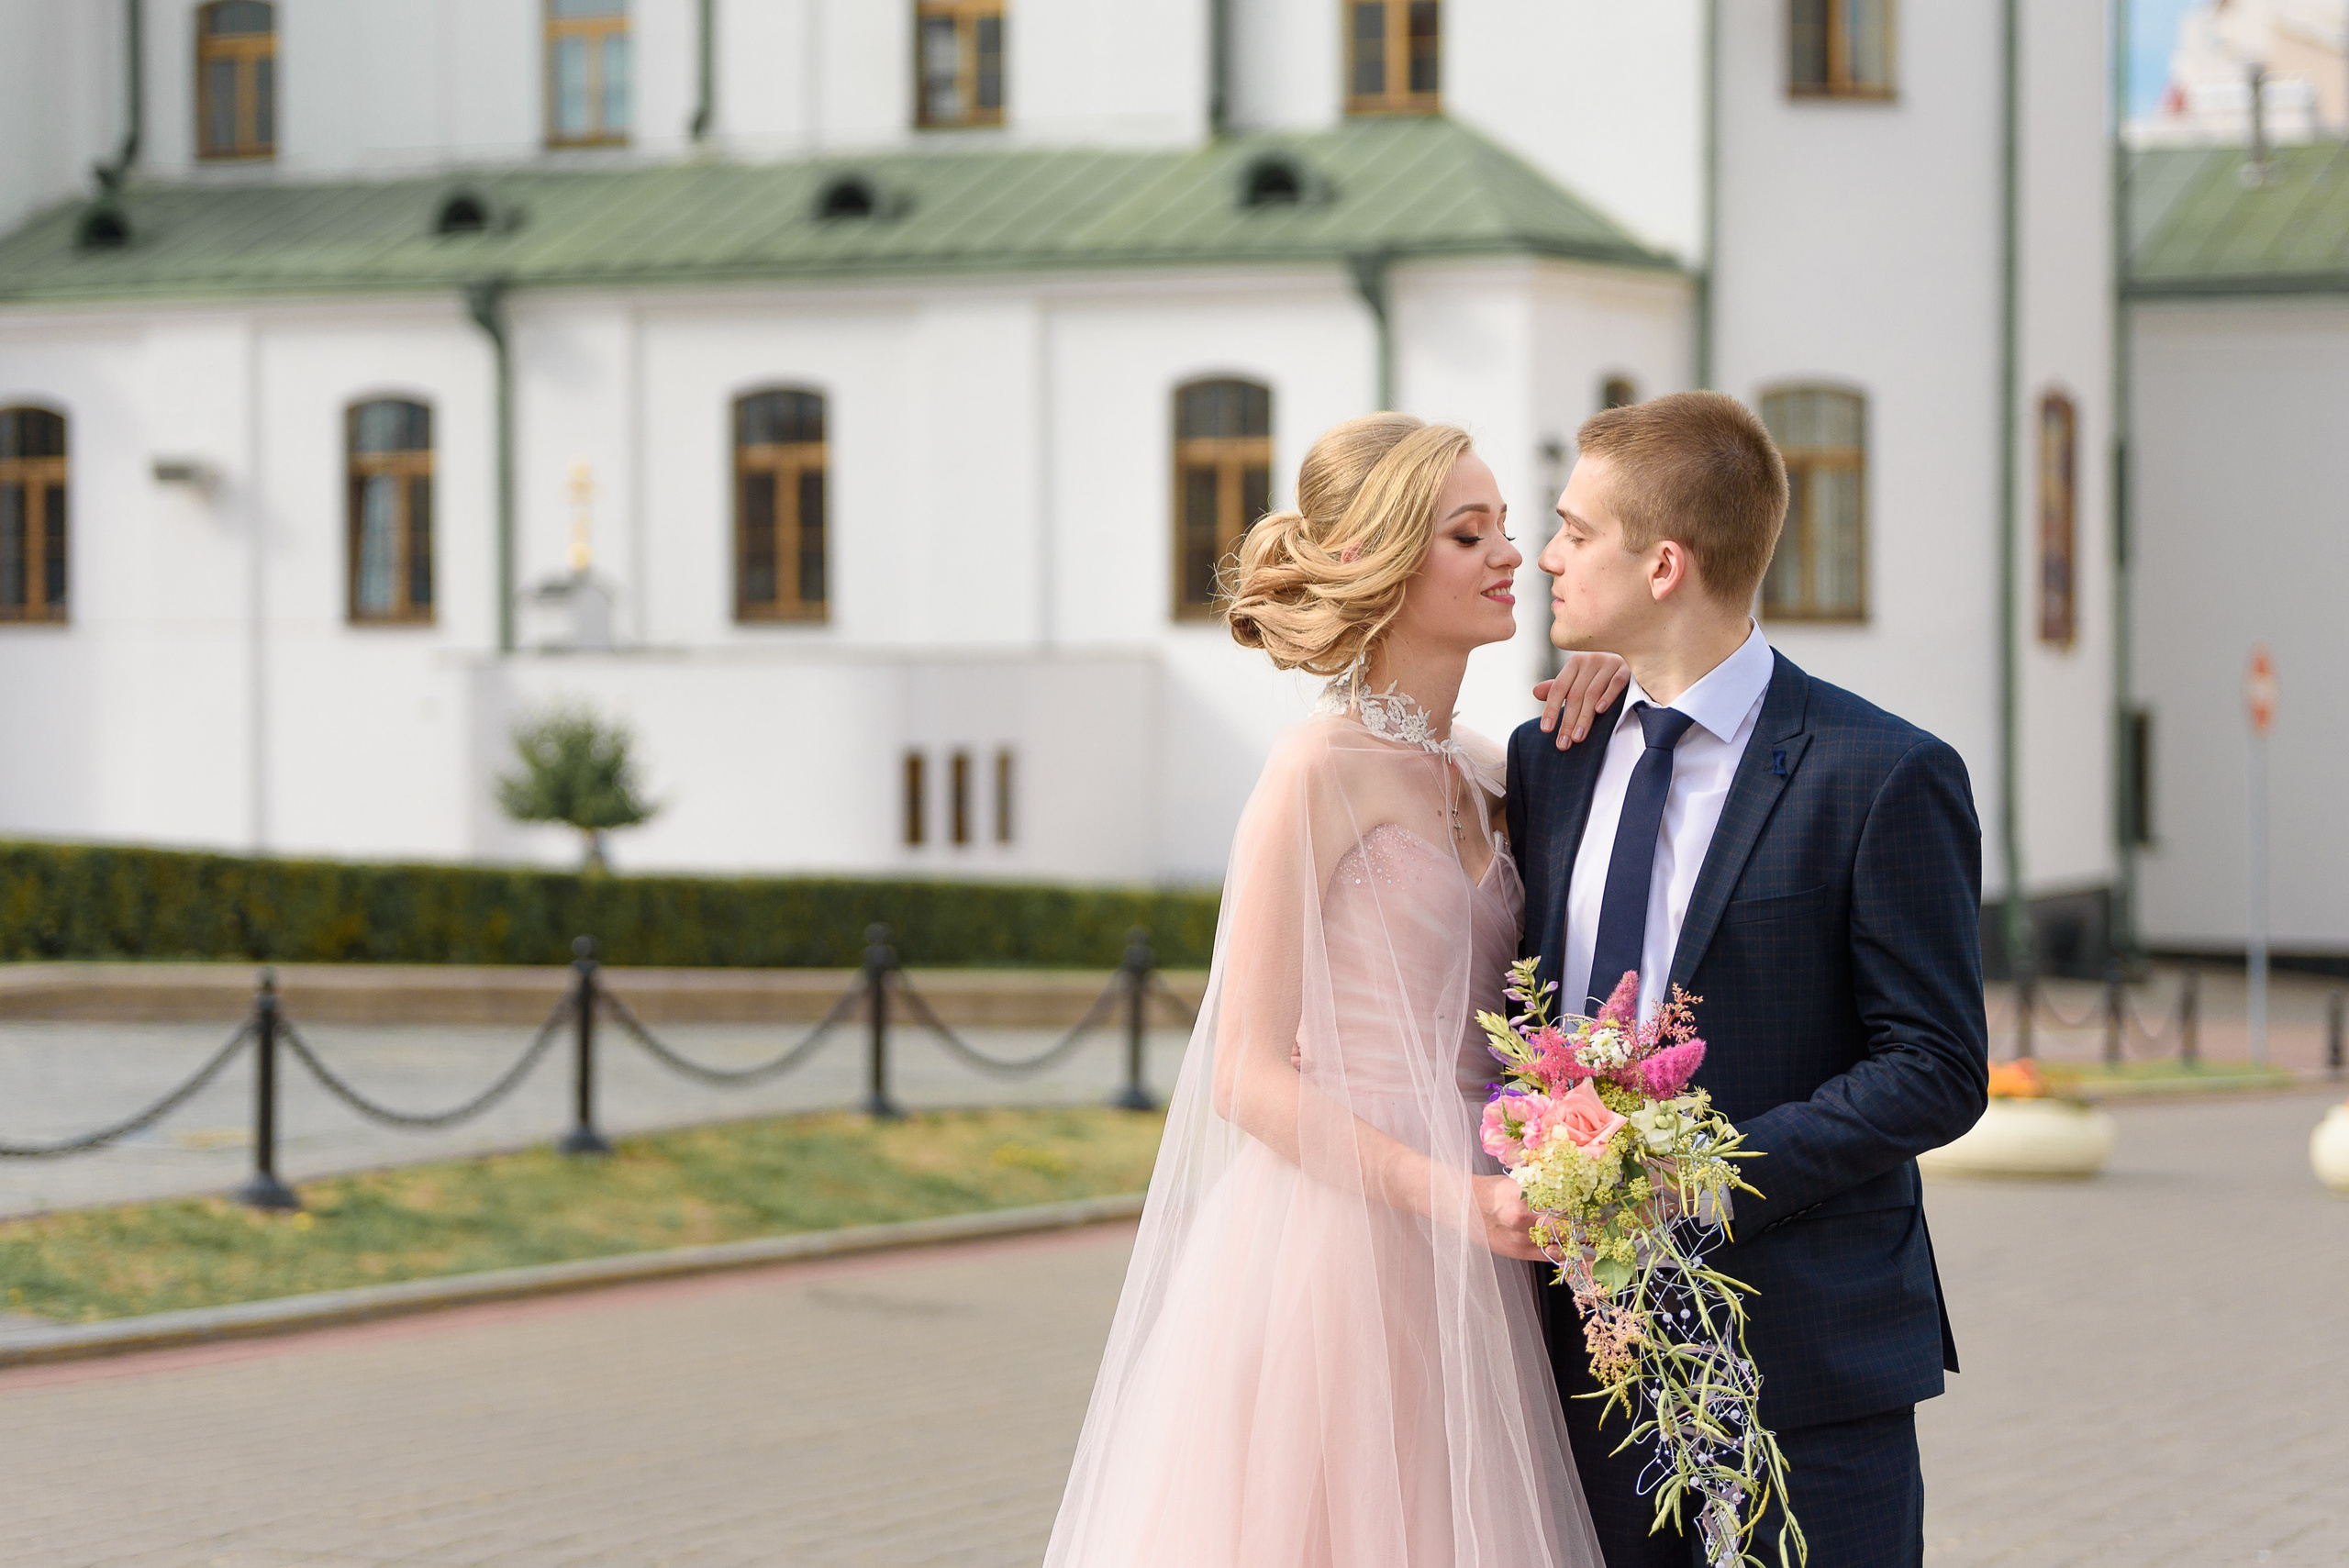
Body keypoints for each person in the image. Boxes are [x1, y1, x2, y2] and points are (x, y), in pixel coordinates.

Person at [1041, 413, 1629, 1567]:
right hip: (1337, 1236)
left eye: (1509, 526)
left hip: (1482, 1242)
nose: (1512, 553)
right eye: (1471, 533)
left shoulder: (1495, 769)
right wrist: (1453, 1197)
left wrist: (1618, 681)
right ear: (1378, 557)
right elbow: (1247, 1075)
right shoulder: (1313, 771)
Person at [1510, 390, 1989, 1565]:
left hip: (1808, 1356)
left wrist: (1689, 1180)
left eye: (1575, 528)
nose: (1548, 554)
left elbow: (1934, 1067)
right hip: (1582, 1356)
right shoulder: (1550, 758)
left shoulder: (1884, 772)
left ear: (1663, 561)